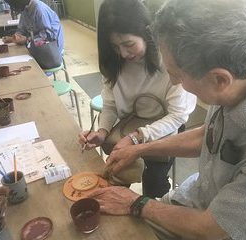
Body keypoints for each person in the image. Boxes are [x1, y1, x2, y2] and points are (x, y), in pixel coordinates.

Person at [89, 0, 246, 239]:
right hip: (198, 195)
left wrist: (136, 203)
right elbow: (210, 133)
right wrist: (139, 148)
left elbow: (214, 229)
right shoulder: (244, 73)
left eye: (175, 74)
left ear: (219, 79)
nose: (174, 82)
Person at [79, 0, 196, 198]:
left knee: (154, 184)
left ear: (146, 32)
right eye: (115, 47)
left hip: (164, 128)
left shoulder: (168, 59)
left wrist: (136, 138)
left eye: (128, 44)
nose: (123, 53)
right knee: (117, 177)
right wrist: (102, 131)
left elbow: (178, 116)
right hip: (130, 127)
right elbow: (109, 105)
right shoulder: (114, 62)